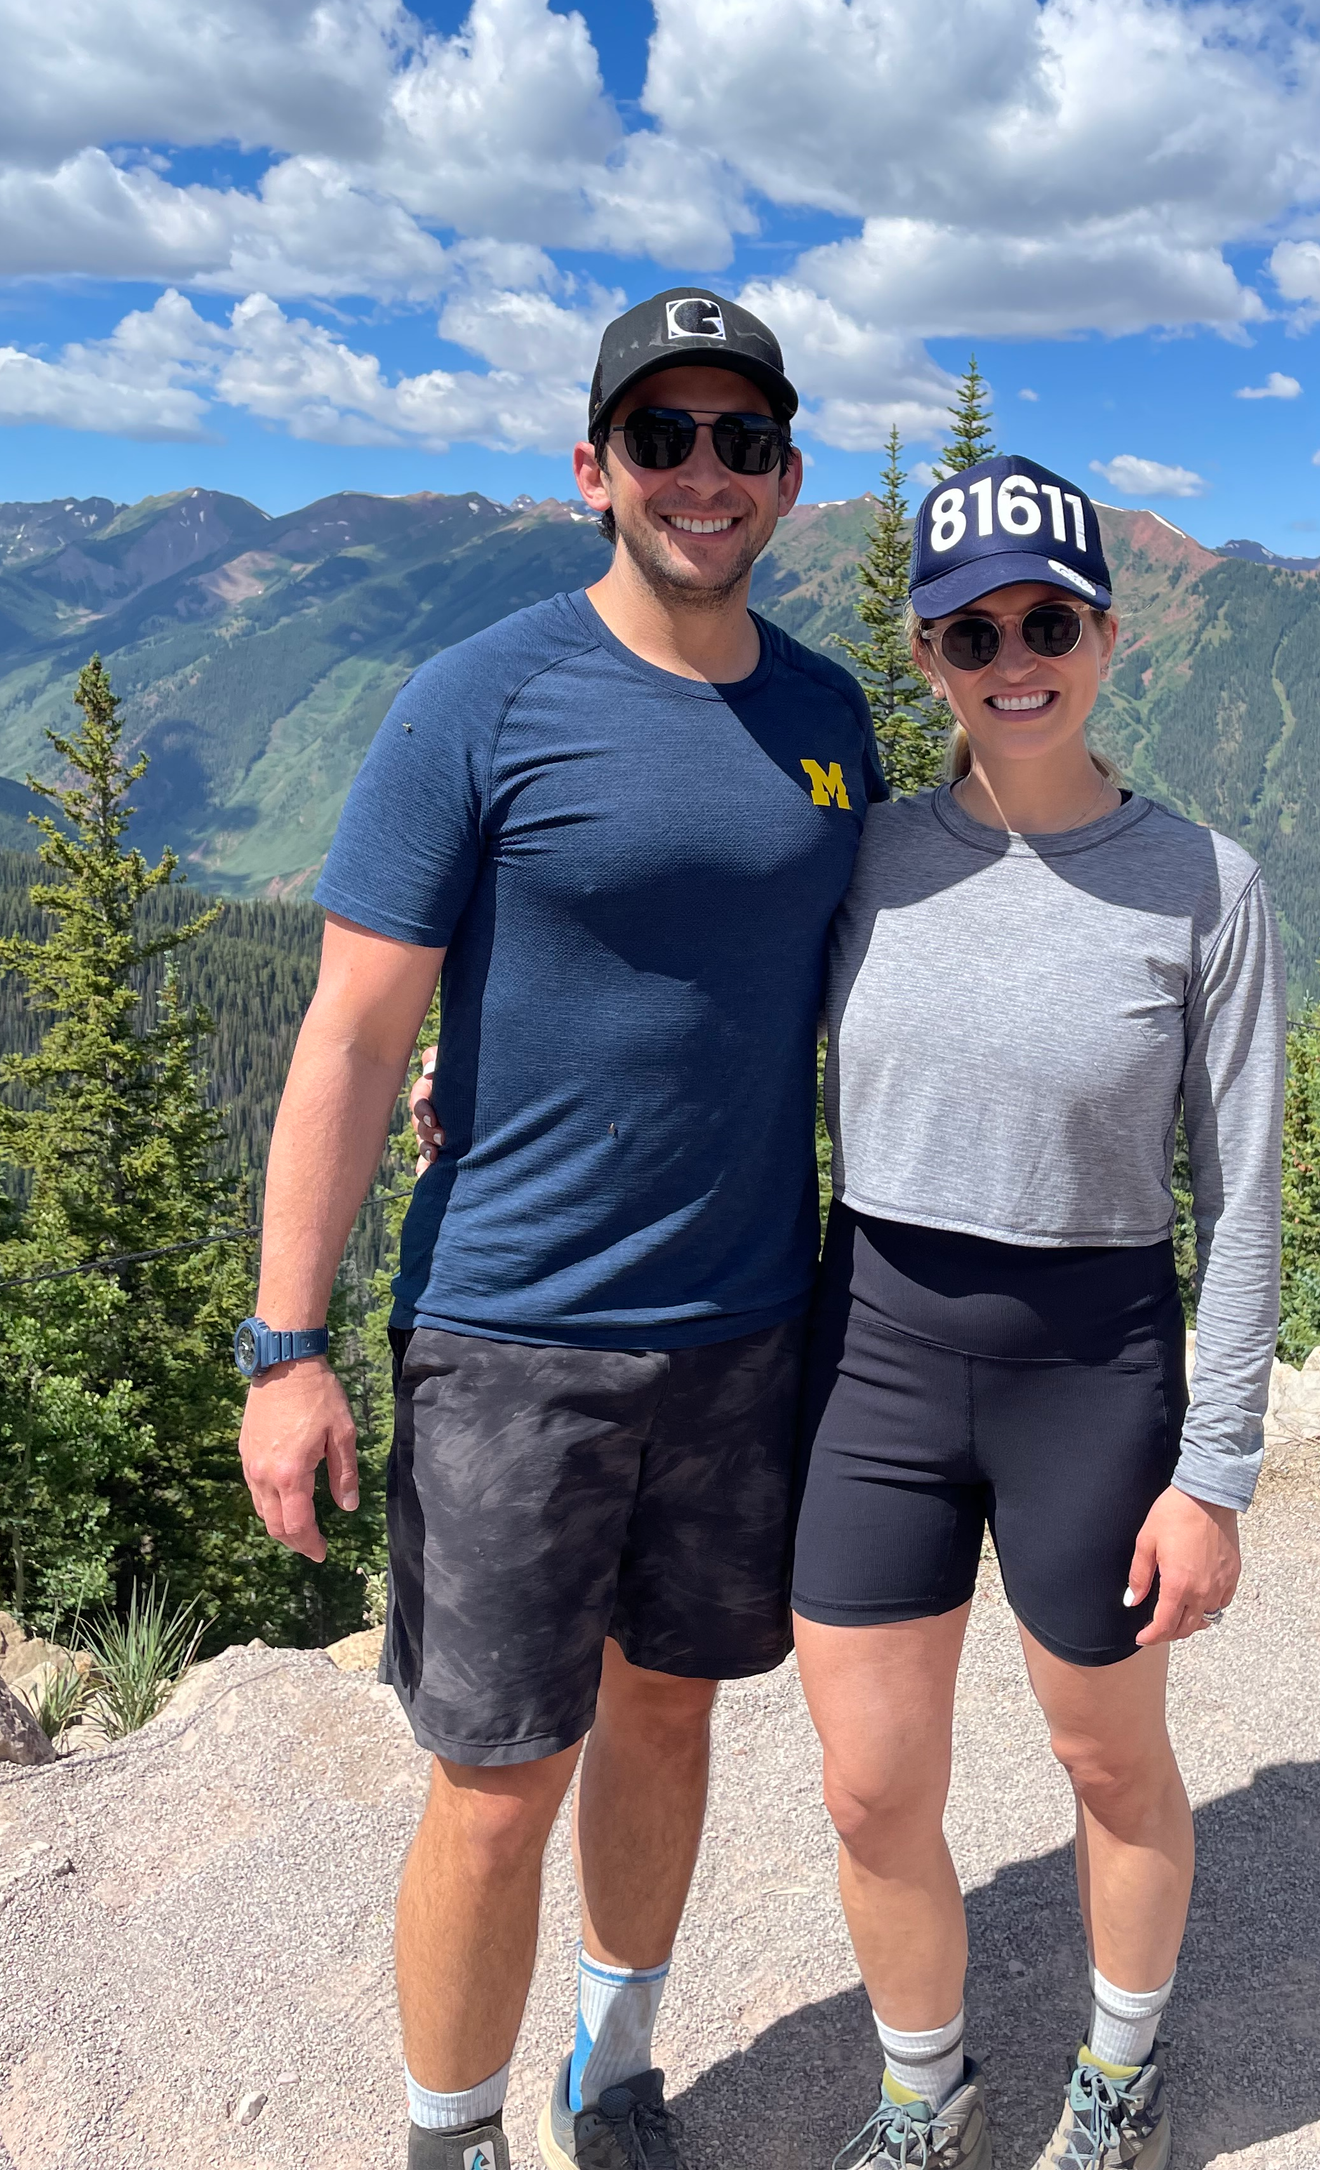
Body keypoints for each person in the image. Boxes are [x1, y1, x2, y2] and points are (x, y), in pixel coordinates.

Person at [236, 288, 885, 2170]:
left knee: (668, 1721)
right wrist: (285, 1351)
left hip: (748, 1322)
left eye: (740, 439)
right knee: (499, 1785)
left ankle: (616, 2072)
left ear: (784, 476)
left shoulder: (831, 714)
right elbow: (356, 1032)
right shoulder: (480, 697)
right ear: (592, 469)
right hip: (512, 1334)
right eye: (662, 436)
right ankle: (452, 2137)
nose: (704, 472)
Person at [789, 455, 1285, 2169]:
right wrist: (467, 1079)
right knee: (866, 1784)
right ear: (925, 656)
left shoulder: (1205, 888)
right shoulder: (858, 862)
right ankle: (925, 2094)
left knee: (1104, 1760)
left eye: (1047, 620)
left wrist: (1212, 1473)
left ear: (1106, 636)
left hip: (1094, 1365)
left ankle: (1117, 2073)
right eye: (969, 627)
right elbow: (688, 1021)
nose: (1013, 655)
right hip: (873, 1346)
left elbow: (1243, 1196)